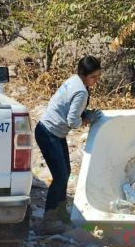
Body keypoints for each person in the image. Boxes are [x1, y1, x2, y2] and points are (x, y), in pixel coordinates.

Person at [35, 56, 104, 234]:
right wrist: (87, 118)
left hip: (49, 130)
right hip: (50, 133)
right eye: (94, 77)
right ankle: (48, 220)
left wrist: (85, 113)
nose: (96, 81)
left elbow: (66, 107)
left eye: (98, 77)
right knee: (60, 176)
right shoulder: (81, 91)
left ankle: (61, 213)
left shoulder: (74, 80)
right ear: (85, 75)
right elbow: (73, 121)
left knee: (65, 173)